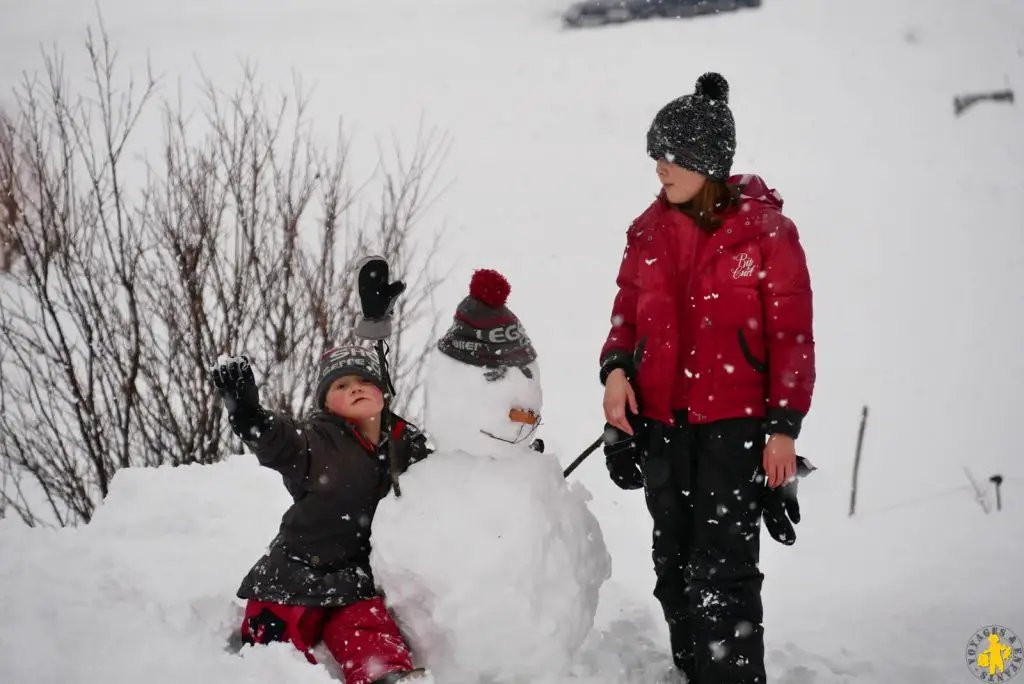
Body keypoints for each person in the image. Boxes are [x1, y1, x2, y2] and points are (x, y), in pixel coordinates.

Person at [598, 72, 815, 684]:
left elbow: (792, 339)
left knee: (723, 573)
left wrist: (783, 429)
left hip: (736, 429)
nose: (659, 169)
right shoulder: (646, 232)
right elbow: (624, 317)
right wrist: (616, 373)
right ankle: (692, 672)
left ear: (707, 163)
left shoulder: (767, 234)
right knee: (672, 567)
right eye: (655, 157)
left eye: (670, 158)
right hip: (664, 426)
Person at [211, 346, 430, 684]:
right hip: (295, 571)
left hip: (355, 577)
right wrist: (249, 415)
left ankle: (386, 677)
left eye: (363, 380)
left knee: (367, 627)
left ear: (382, 391)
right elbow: (280, 441)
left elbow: (451, 474)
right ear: (327, 404)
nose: (354, 388)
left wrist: (502, 458)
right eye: (340, 386)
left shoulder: (406, 444)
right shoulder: (318, 442)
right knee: (273, 638)